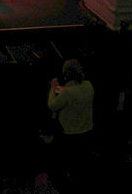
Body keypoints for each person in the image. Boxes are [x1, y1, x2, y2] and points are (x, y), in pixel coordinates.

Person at [47, 59, 94, 191]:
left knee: (66, 165)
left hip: (70, 134)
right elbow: (73, 93)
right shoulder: (88, 86)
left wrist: (52, 88)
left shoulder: (67, 93)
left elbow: (52, 105)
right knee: (80, 165)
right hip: (86, 131)